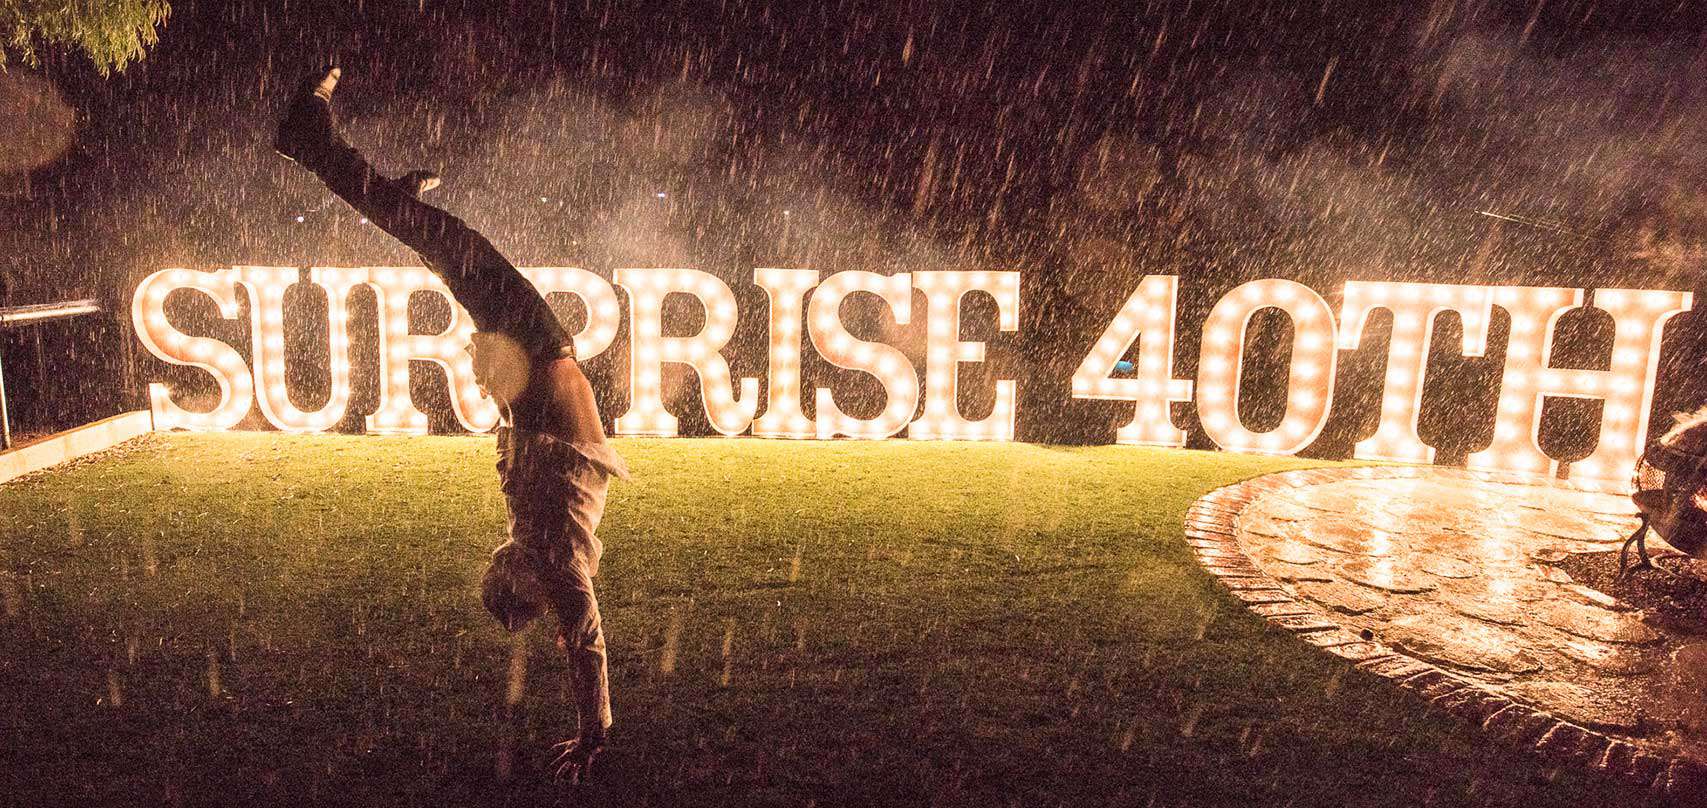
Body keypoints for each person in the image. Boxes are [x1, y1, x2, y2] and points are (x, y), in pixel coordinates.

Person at [275, 66, 627, 784]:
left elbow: (521, 455)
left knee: (447, 242)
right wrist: (595, 732)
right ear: (523, 581)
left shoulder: (535, 536)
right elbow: (584, 643)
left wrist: (497, 382)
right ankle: (335, 161)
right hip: (535, 352)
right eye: (502, 579)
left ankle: (322, 151)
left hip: (535, 356)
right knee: (446, 242)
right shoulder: (556, 562)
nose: (494, 563)